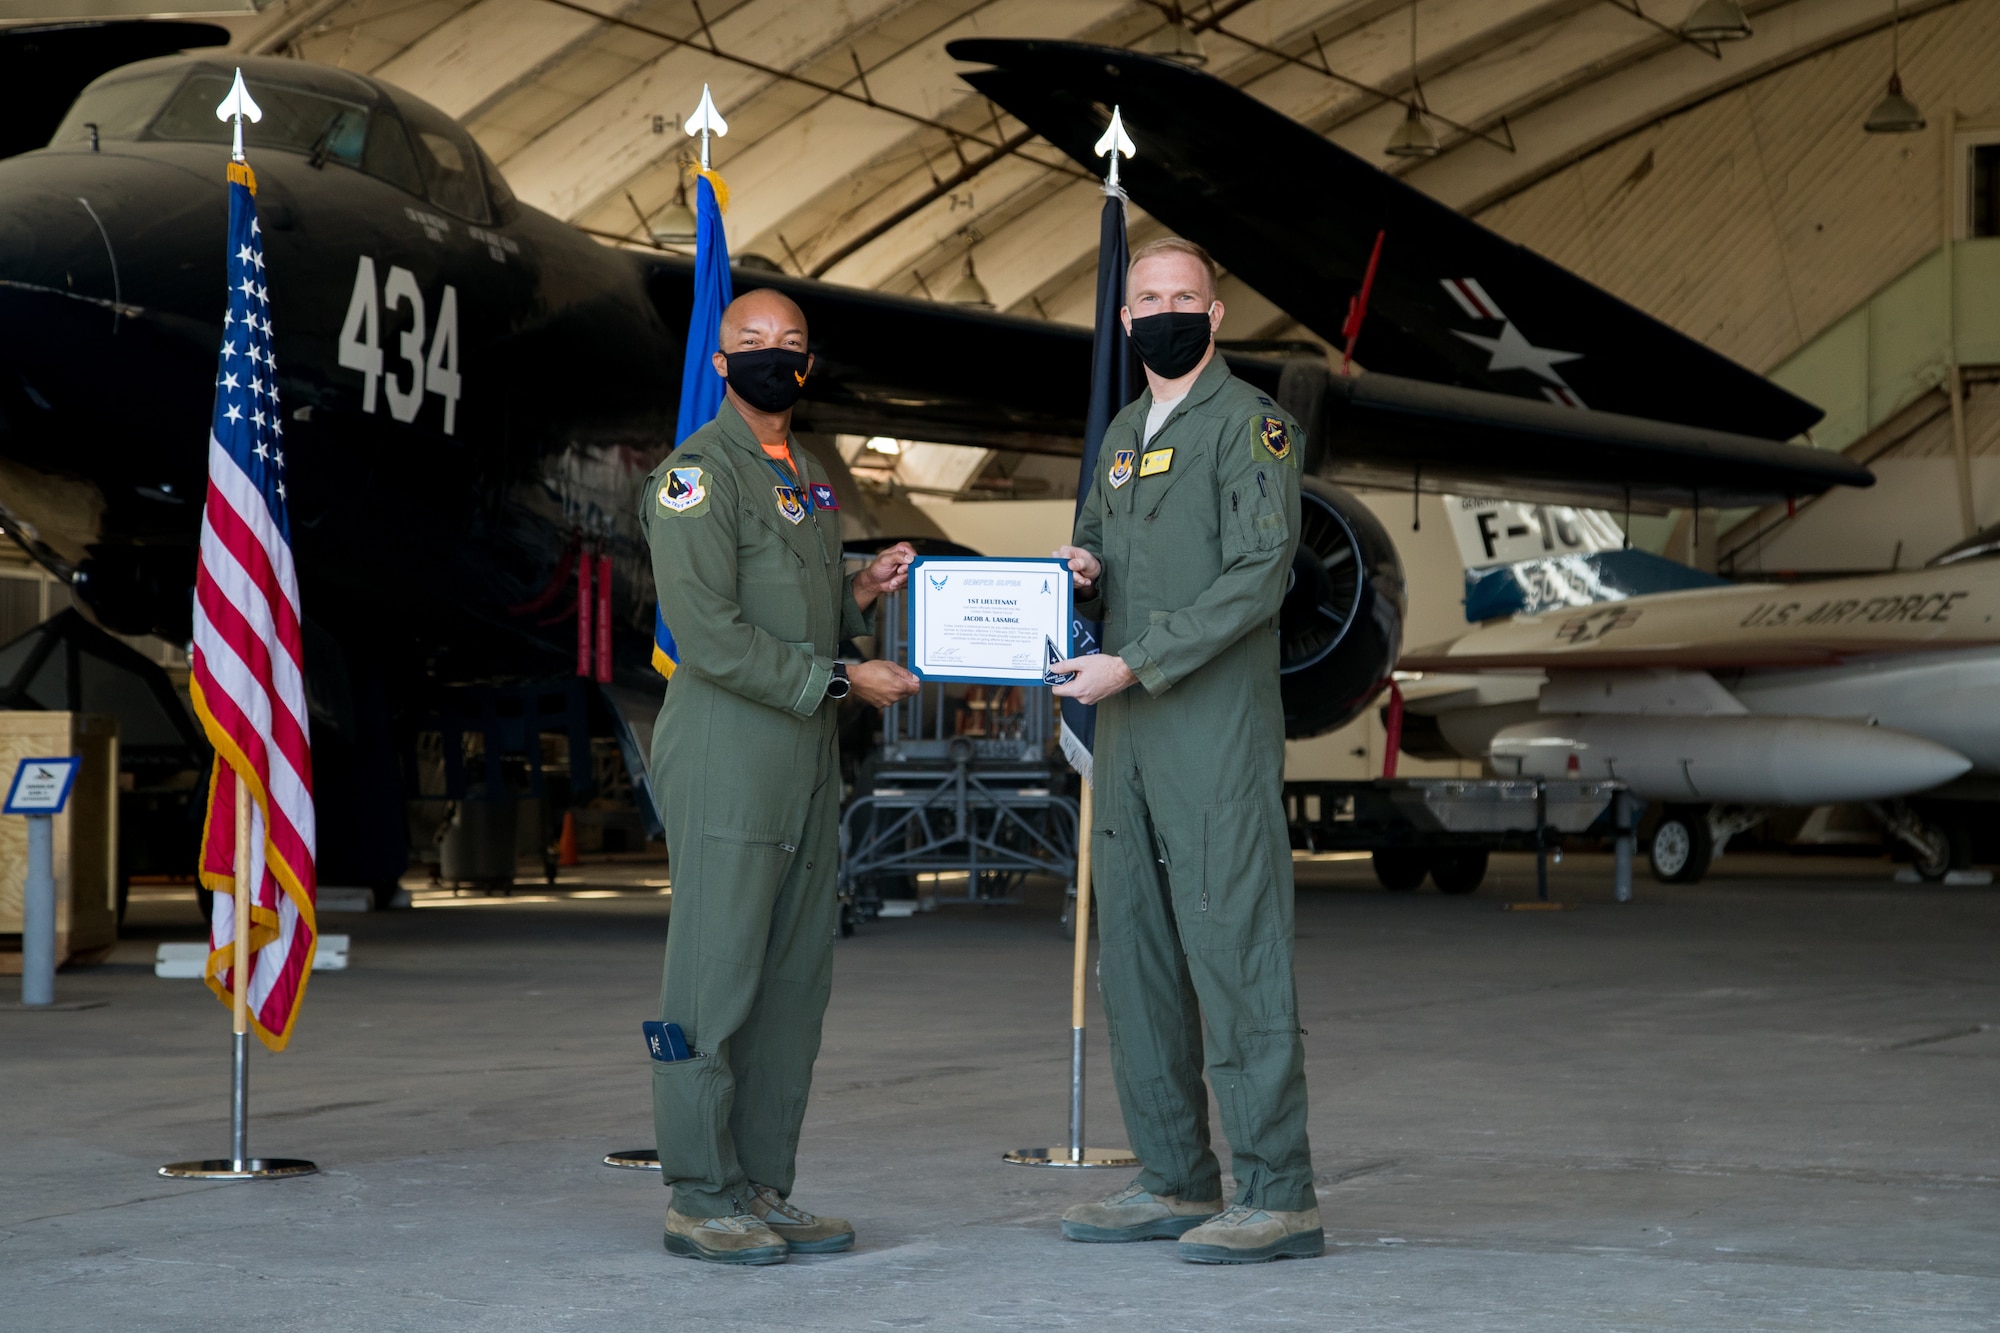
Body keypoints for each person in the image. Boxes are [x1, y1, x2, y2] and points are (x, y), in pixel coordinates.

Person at [1050, 237, 1319, 1264]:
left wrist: (1139, 658)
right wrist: (1080, 573)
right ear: (1124, 323)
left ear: (1214, 316)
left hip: (1207, 732)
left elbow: (1258, 575)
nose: (1165, 310)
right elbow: (1098, 548)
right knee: (1139, 960)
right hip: (1123, 737)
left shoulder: (1250, 427)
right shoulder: (1123, 431)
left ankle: (1277, 1191)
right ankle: (1171, 1176)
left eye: (1184, 297)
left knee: (1232, 951)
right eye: (1147, 298)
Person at [640, 288, 920, 1266]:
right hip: (729, 752)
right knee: (714, 978)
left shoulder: (804, 475)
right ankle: (696, 1192)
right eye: (750, 342)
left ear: (806, 365)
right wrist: (843, 675)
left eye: (789, 344)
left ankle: (759, 1185)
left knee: (793, 983)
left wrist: (857, 588)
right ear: (718, 365)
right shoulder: (694, 477)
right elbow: (710, 635)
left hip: (803, 756)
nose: (772, 355)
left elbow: (790, 599)